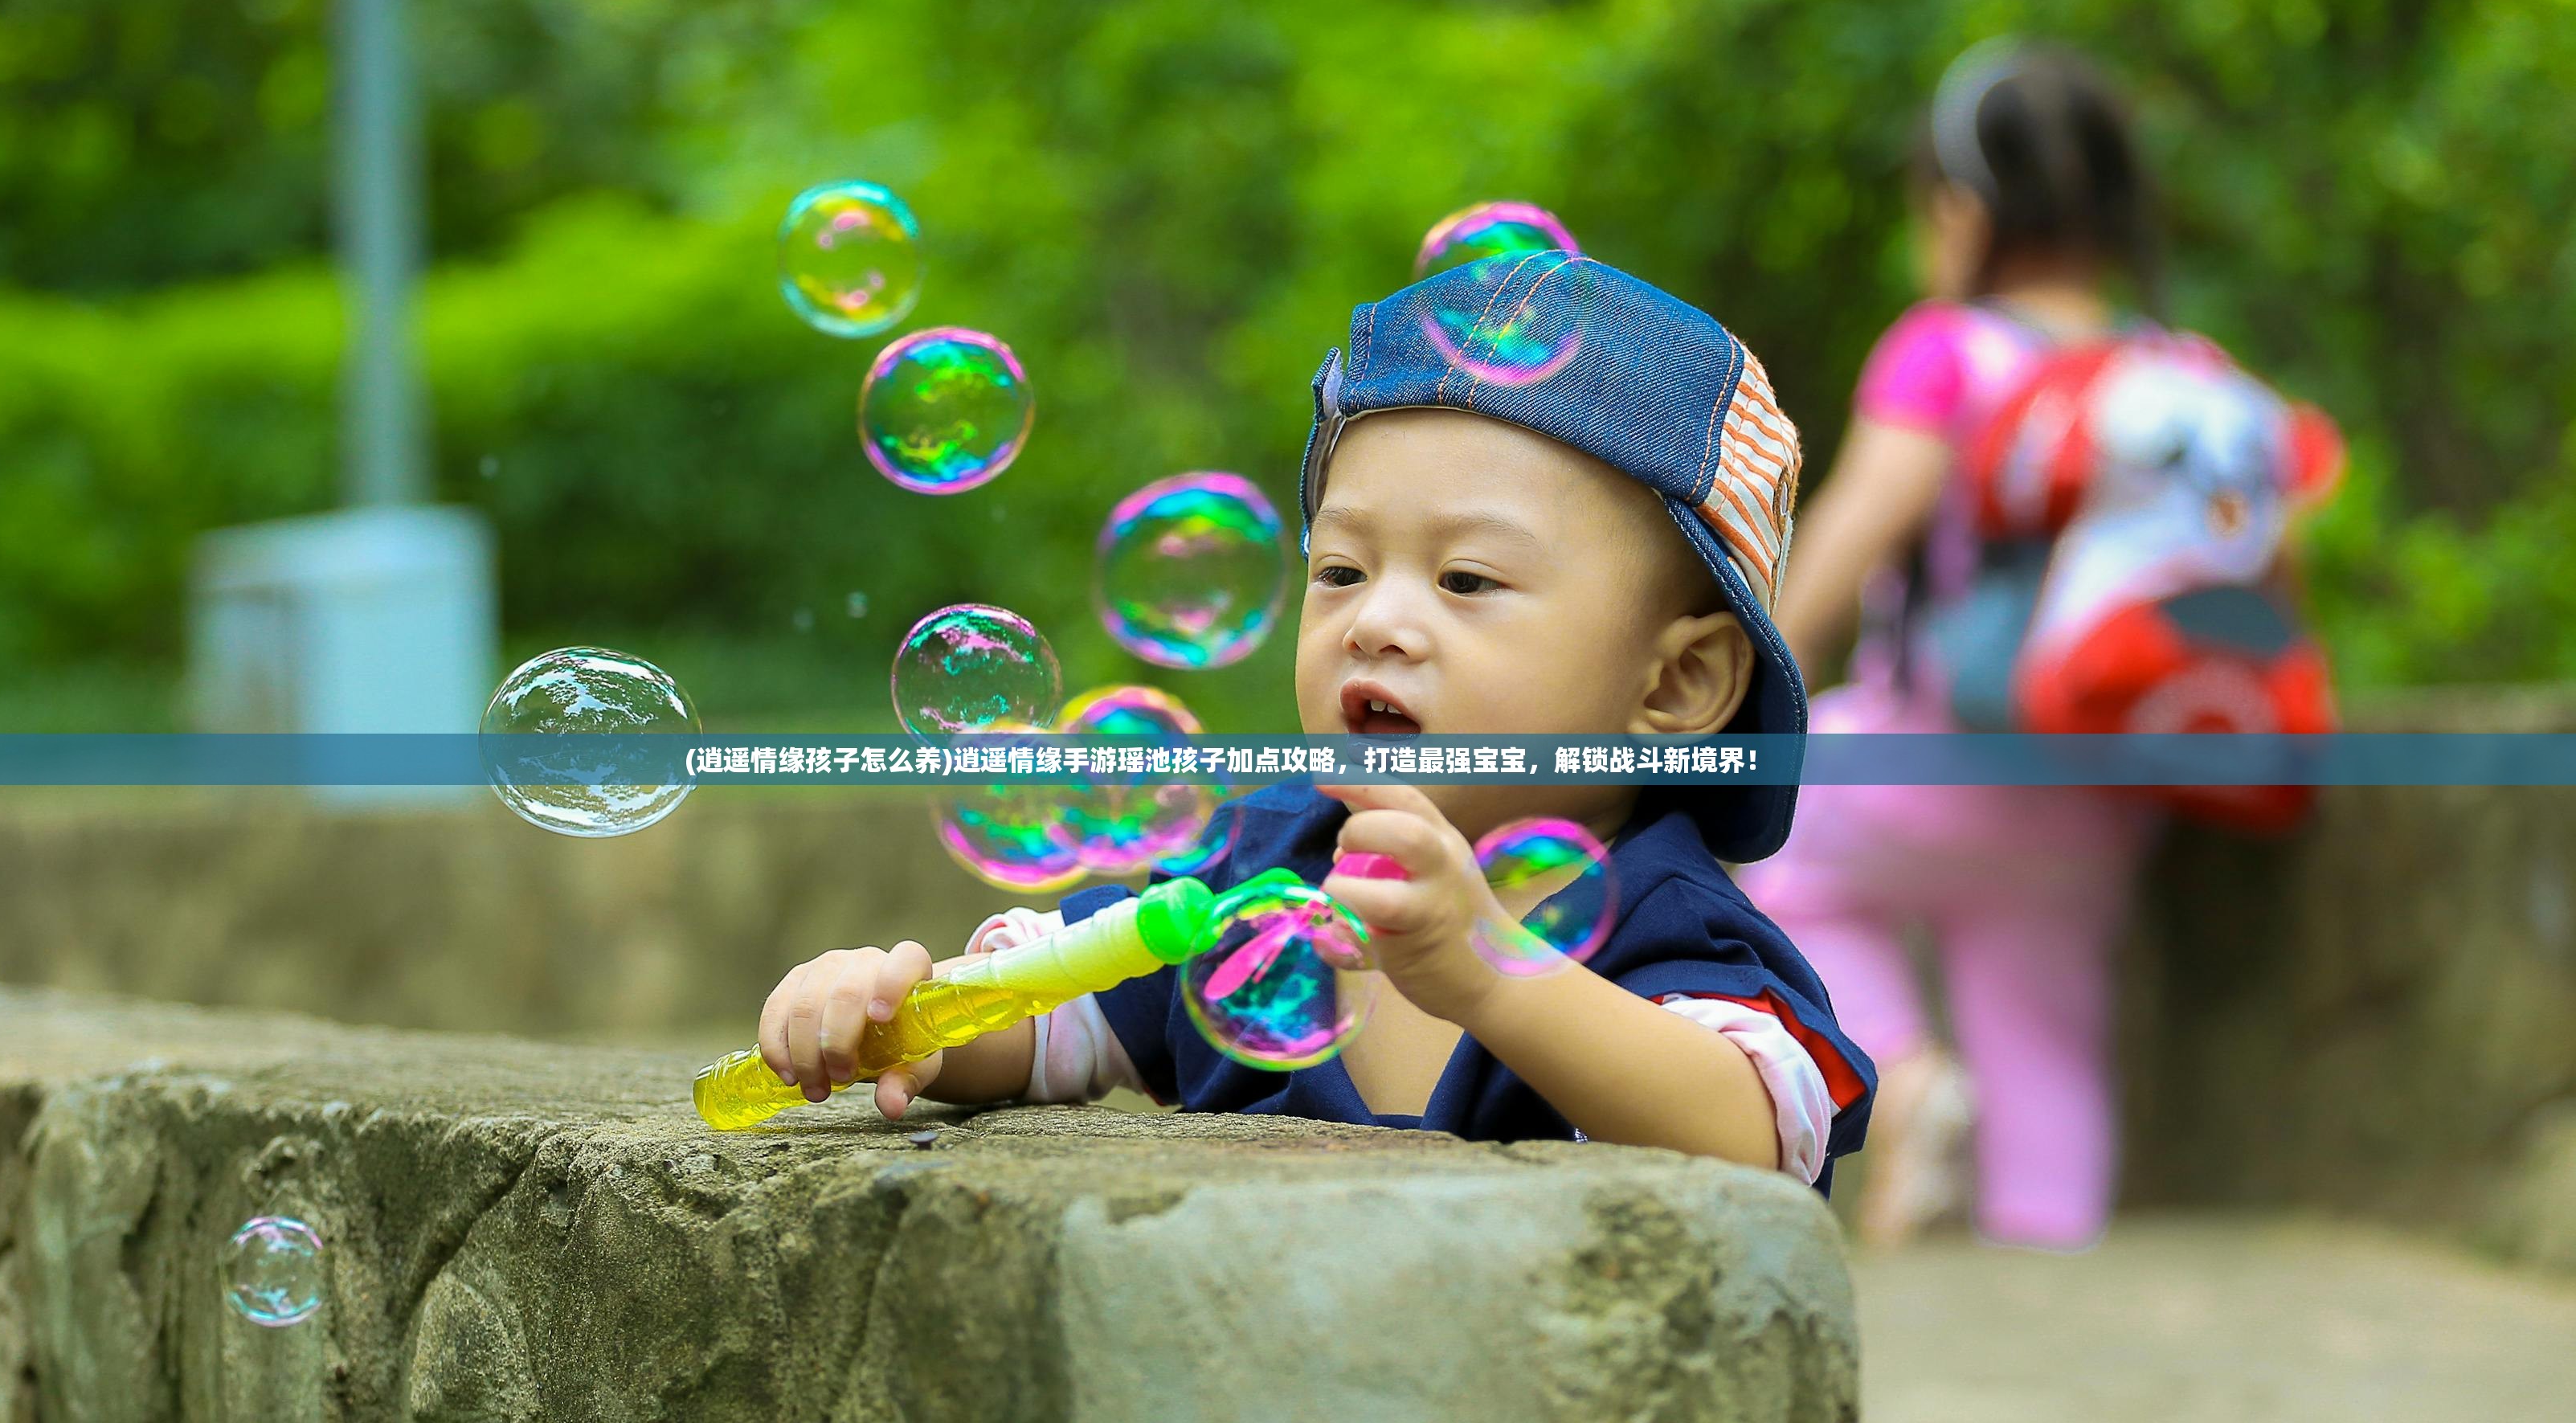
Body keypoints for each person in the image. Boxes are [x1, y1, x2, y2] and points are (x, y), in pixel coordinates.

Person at [752, 255, 1876, 1189]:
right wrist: (896, 1012)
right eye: (1340, 568)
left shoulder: (1660, 919)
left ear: (1674, 687)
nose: (1377, 620)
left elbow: (1754, 1138)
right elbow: (1053, 1025)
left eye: (1468, 579)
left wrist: (1486, 969)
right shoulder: (1253, 869)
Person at [1745, 41, 2161, 1248]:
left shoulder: (1948, 350)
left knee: (1772, 851)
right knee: (2046, 1034)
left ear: (1964, 209)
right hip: (2100, 799)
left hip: (1927, 767)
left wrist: (1746, 665)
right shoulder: (2173, 366)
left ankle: (1902, 1074)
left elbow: (1851, 534)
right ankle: (2050, 1266)